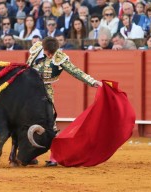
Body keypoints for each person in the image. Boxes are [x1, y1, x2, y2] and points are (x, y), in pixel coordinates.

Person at [26, 37, 102, 166]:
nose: (50, 55)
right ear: (43, 48)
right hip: (28, 88)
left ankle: (54, 157)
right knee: (25, 120)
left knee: (50, 123)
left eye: (52, 53)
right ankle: (28, 155)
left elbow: (75, 71)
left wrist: (92, 81)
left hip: (45, 90)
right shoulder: (36, 48)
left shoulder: (60, 57)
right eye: (48, 52)